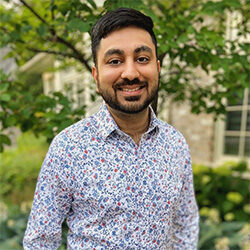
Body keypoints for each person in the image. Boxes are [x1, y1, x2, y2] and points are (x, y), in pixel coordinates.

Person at [23, 7, 199, 249]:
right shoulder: (69, 147)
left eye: (142, 59)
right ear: (96, 76)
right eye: (115, 61)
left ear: (157, 68)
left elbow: (186, 222)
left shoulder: (175, 143)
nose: (130, 73)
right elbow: (40, 240)